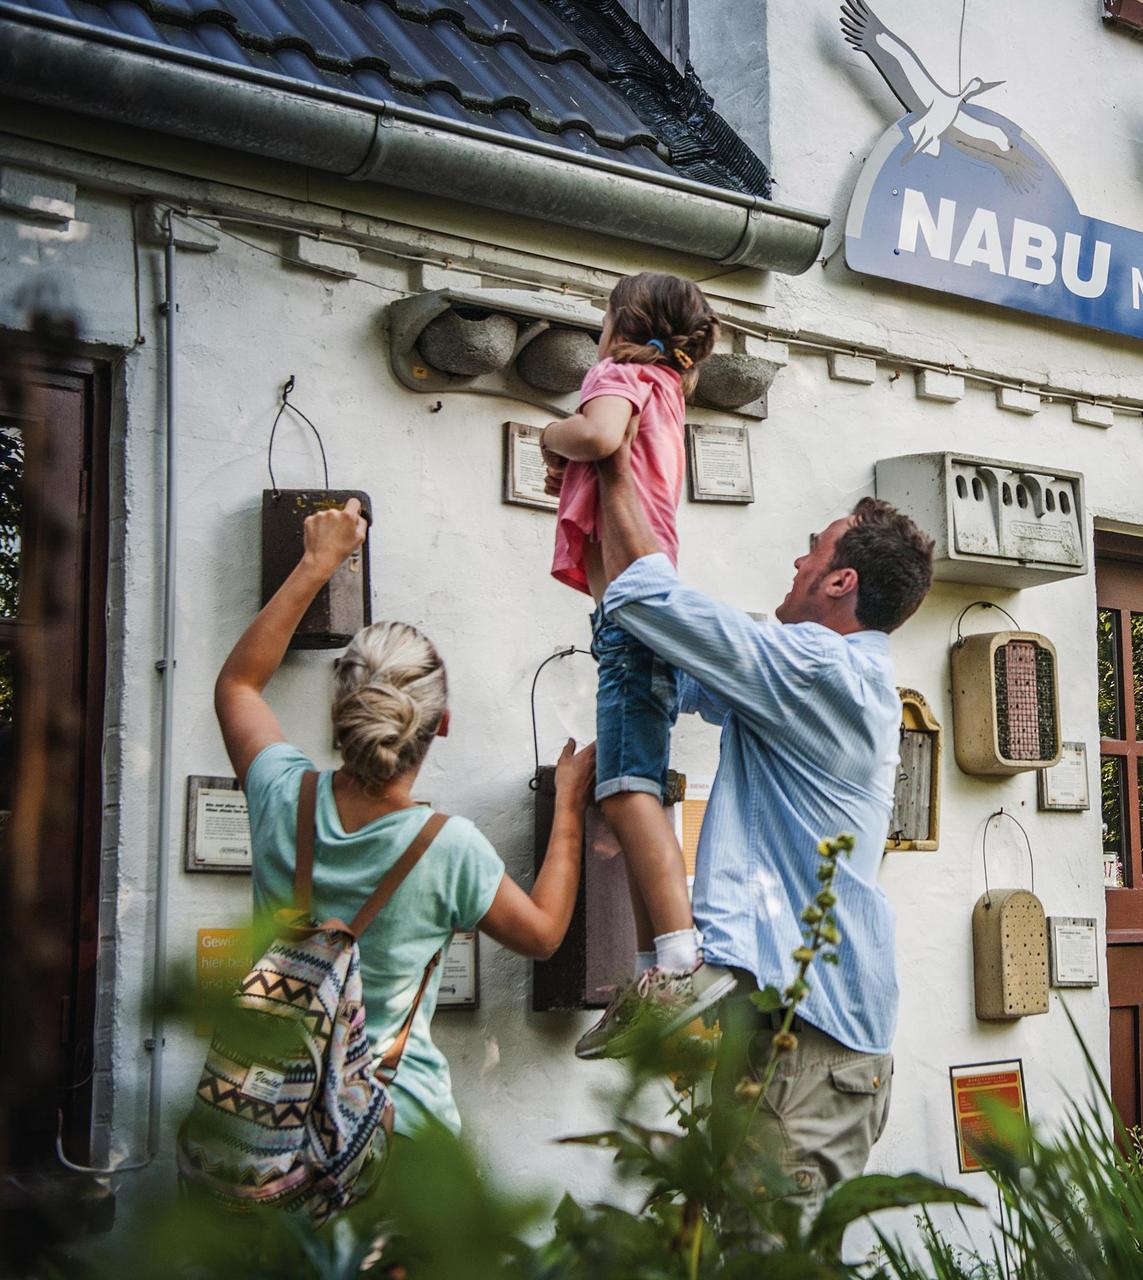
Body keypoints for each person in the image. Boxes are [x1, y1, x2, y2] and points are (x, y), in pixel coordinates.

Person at [566, 425, 933, 1222]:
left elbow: (653, 602)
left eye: (811, 551)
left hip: (816, 1043)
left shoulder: (825, 670)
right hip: (788, 1035)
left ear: (840, 581)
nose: (797, 561)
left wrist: (616, 462)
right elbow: (666, 651)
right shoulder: (806, 677)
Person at [214, 499, 595, 1137]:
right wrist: (568, 803)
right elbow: (544, 934)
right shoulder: (449, 849)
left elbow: (238, 686)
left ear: (339, 712)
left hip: (268, 1126)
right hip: (395, 1130)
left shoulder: (281, 796)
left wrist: (317, 563)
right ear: (441, 725)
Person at [539, 272, 725, 1054]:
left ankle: (679, 962)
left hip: (630, 618)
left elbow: (599, 437)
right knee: (631, 785)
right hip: (640, 611)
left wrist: (552, 435)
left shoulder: (618, 376)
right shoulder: (667, 390)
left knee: (625, 789)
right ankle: (656, 969)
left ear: (623, 324)